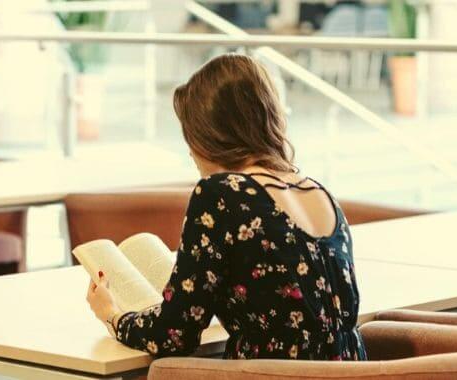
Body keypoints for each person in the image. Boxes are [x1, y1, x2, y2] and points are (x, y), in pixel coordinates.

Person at [86, 53, 366, 361]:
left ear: (208, 134)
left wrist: (112, 315)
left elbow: (175, 334)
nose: (191, 153)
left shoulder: (221, 193)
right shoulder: (319, 192)